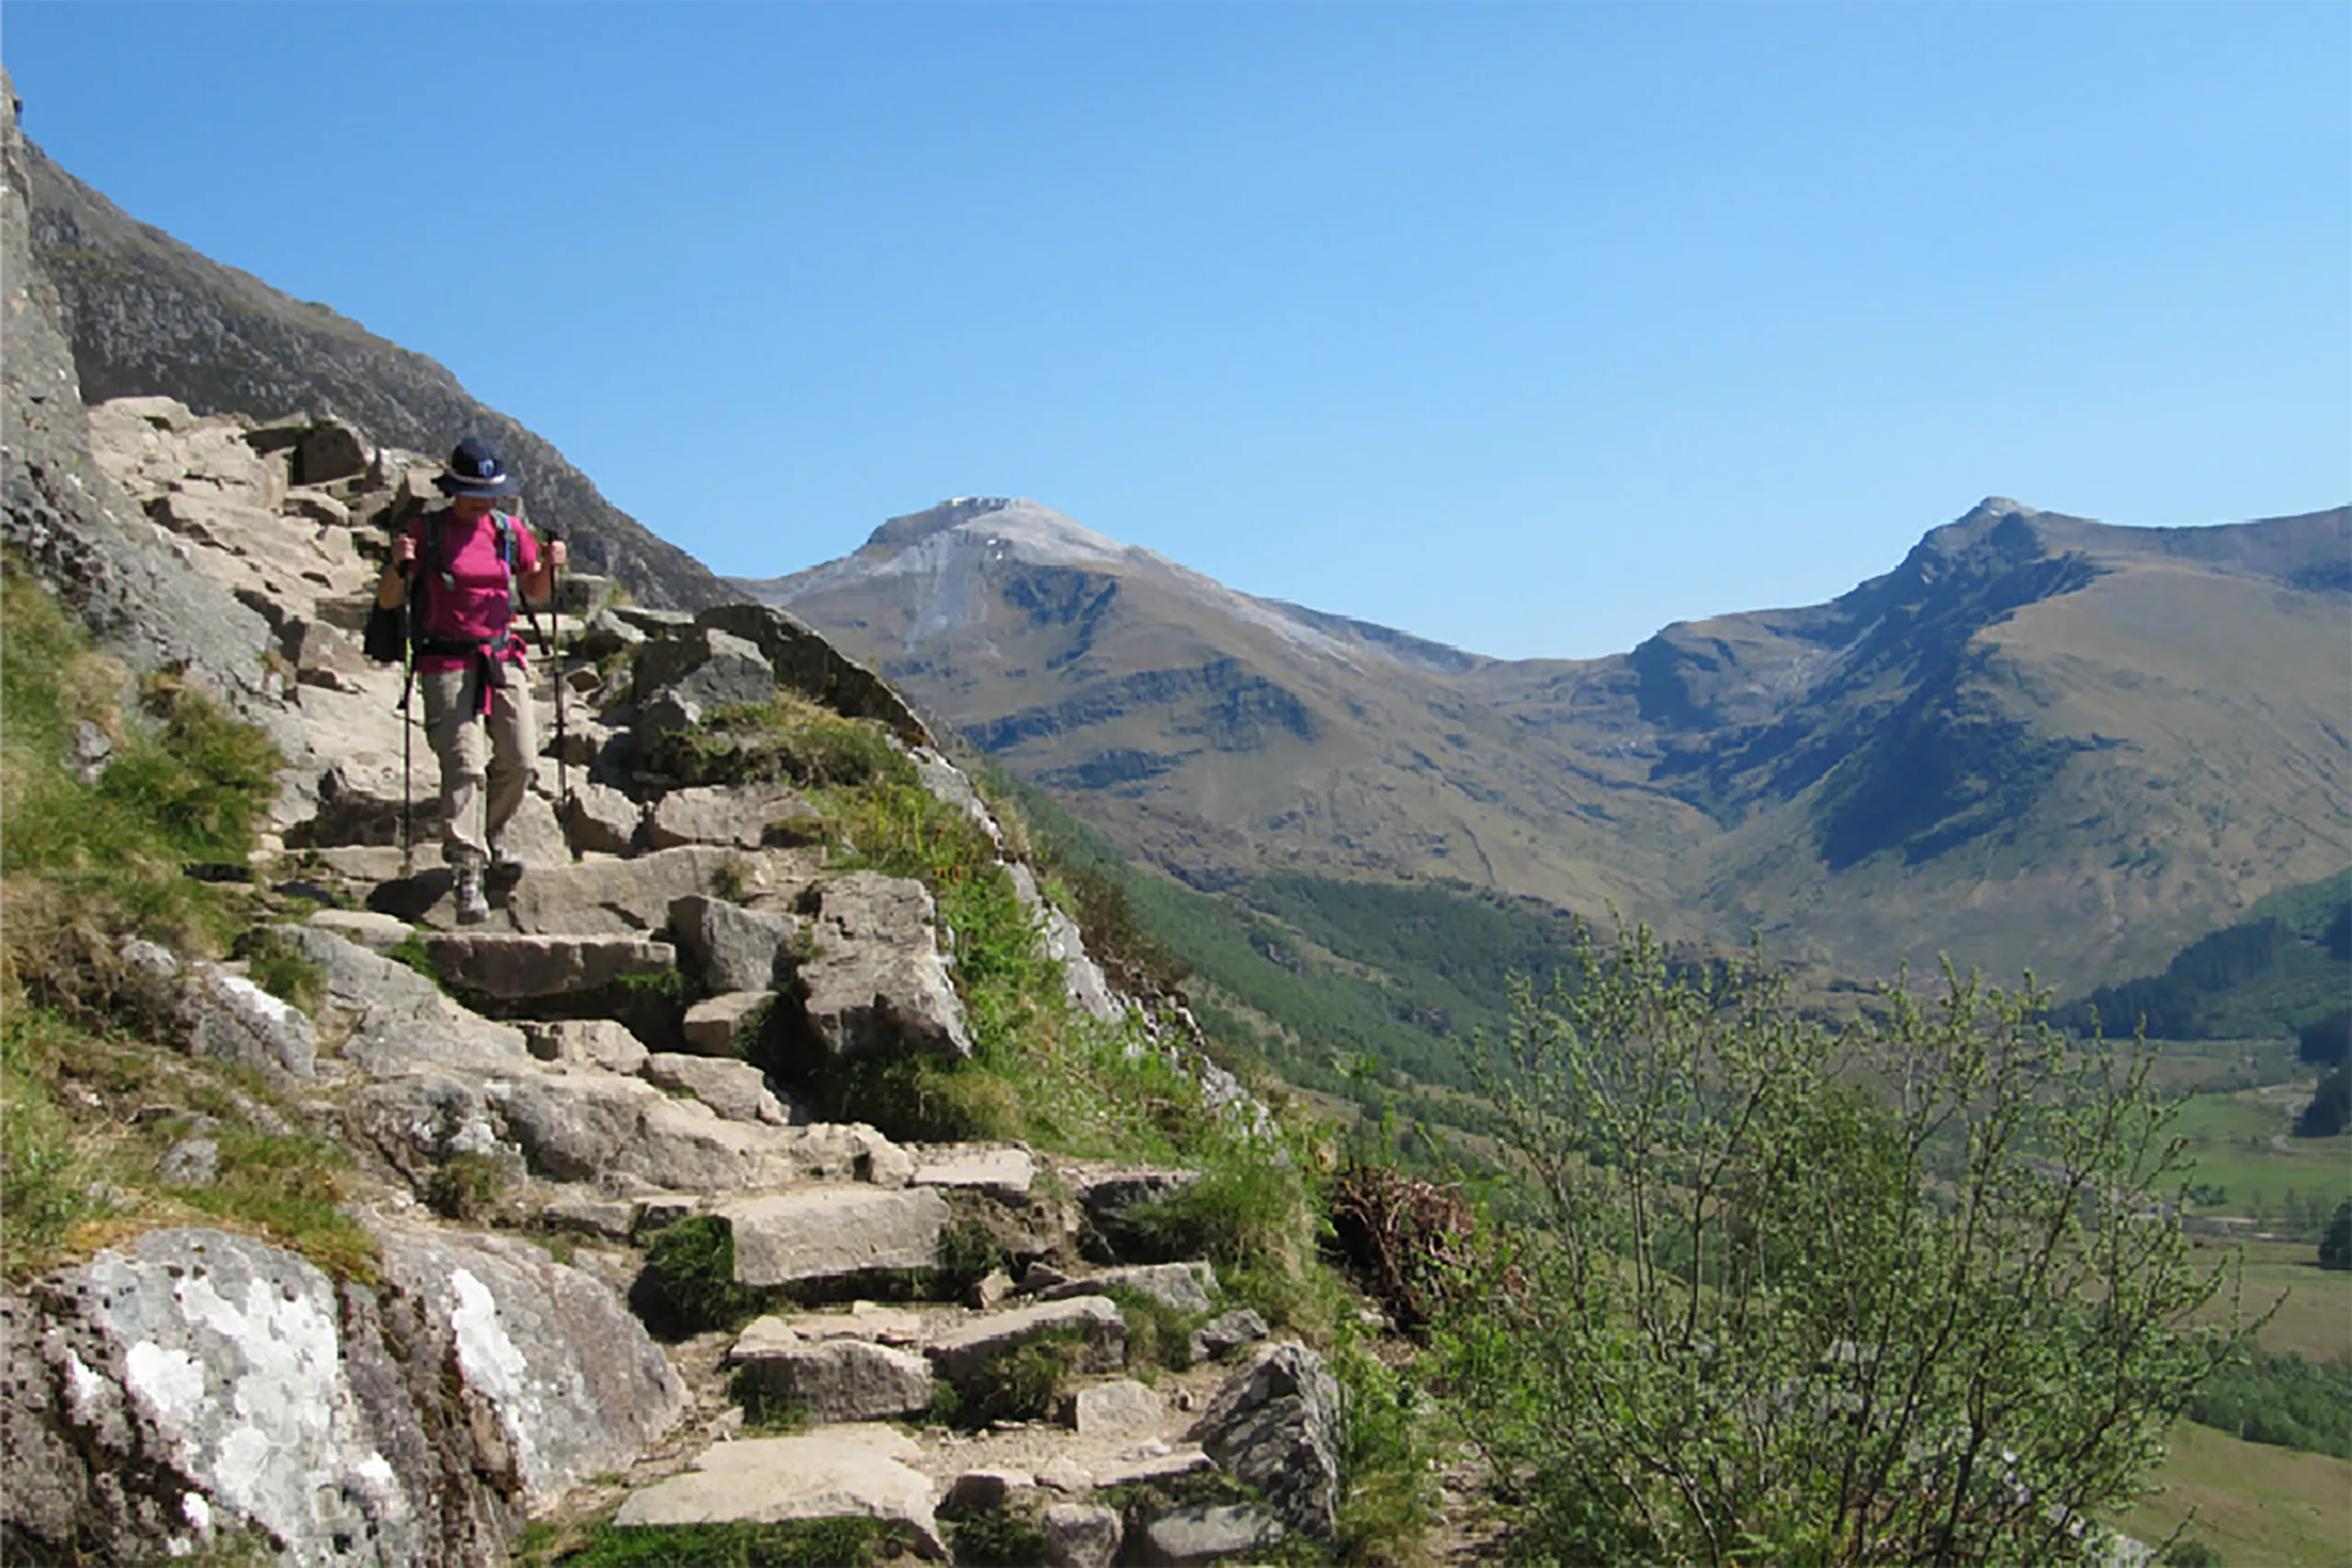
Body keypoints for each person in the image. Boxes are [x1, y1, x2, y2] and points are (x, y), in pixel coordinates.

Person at [376, 435, 567, 923]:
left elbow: (536, 593)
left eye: (489, 491)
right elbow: (391, 601)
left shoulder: (507, 531)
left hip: (501, 655)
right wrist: (398, 562)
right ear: (453, 488)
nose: (482, 500)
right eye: (472, 491)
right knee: (464, 764)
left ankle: (492, 831)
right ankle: (468, 869)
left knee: (521, 759)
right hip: (444, 662)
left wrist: (548, 565)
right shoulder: (426, 532)